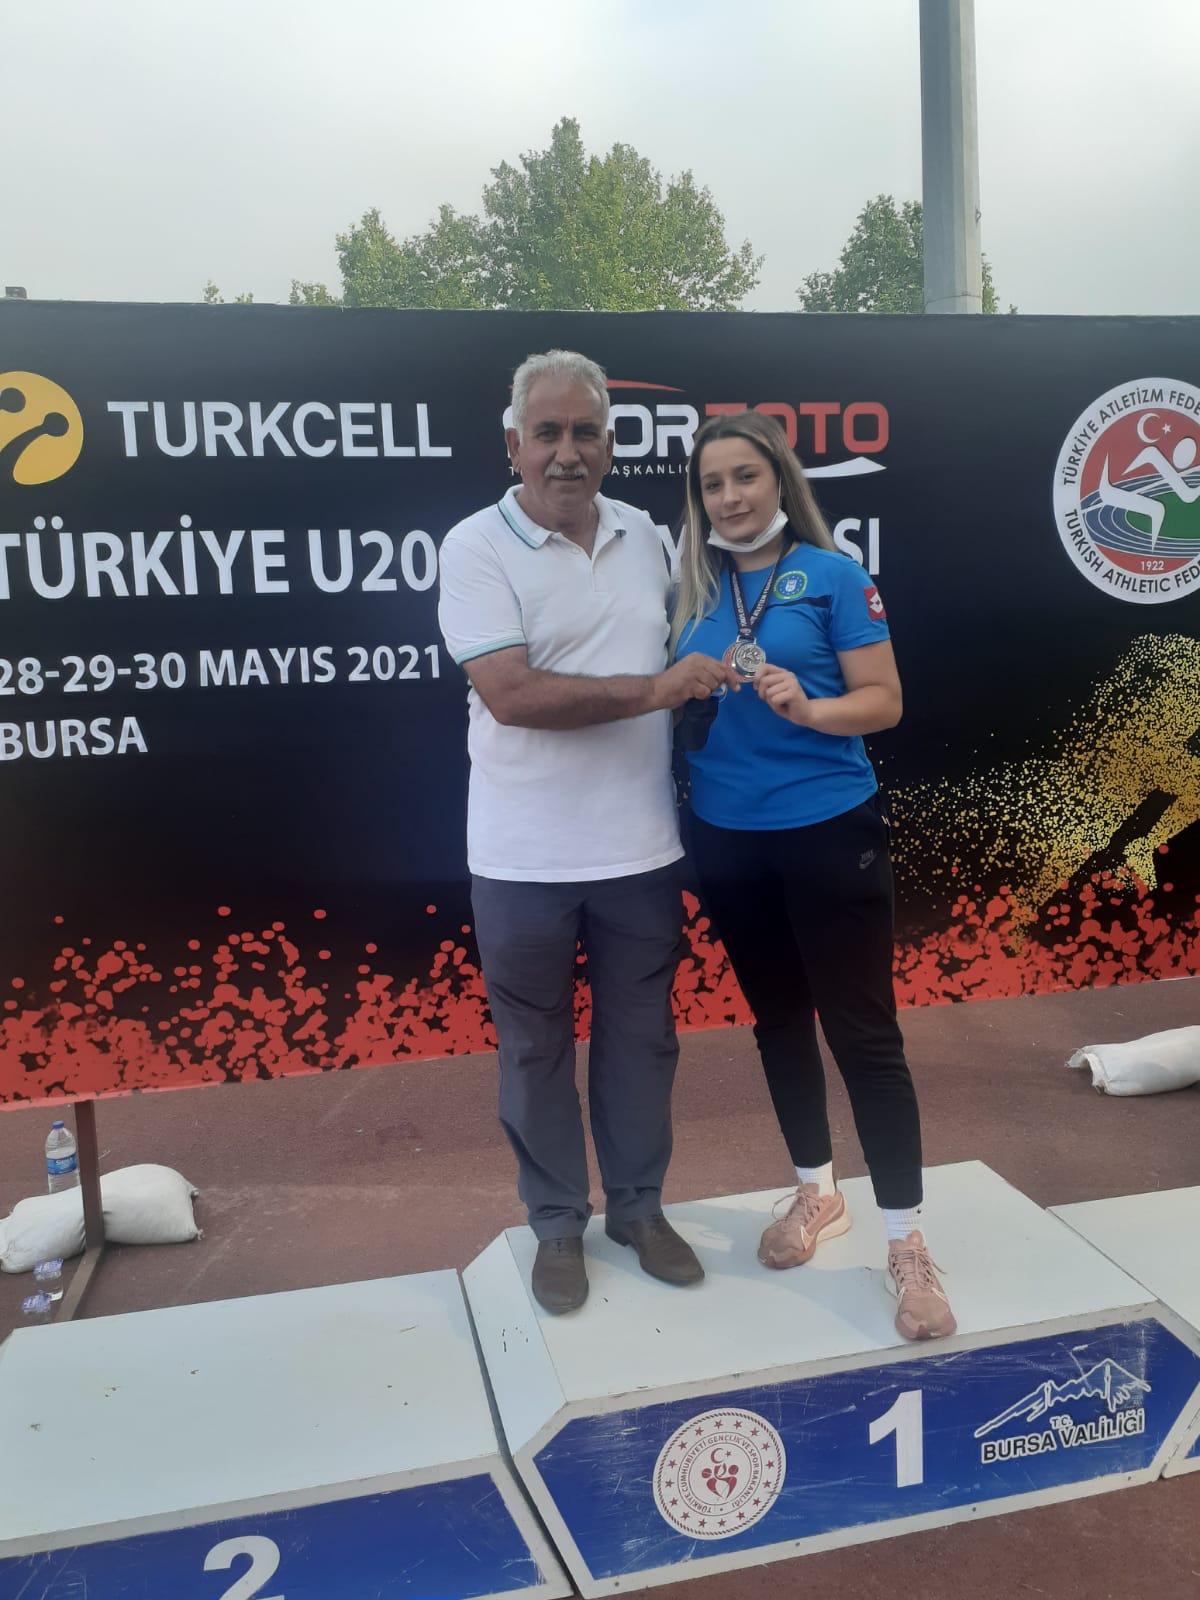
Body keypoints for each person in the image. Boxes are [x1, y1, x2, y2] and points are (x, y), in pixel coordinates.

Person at [437, 350, 734, 1314]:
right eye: (548, 433)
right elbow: (513, 695)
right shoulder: (474, 547)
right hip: (520, 858)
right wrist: (659, 690)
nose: (567, 452)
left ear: (610, 442)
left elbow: (697, 641)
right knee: (533, 1051)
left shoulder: (646, 534)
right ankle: (557, 1222)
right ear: (513, 443)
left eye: (586, 432)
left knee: (643, 1044)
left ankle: (639, 1209)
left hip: (640, 850)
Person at [672, 410, 956, 1342]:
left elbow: (886, 701)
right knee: (780, 1021)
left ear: (779, 482)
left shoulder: (833, 575)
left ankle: (907, 1242)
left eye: (744, 477)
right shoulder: (692, 586)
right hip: (727, 833)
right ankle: (815, 1192)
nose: (730, 497)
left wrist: (811, 706)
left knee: (864, 1034)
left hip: (828, 828)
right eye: (712, 483)